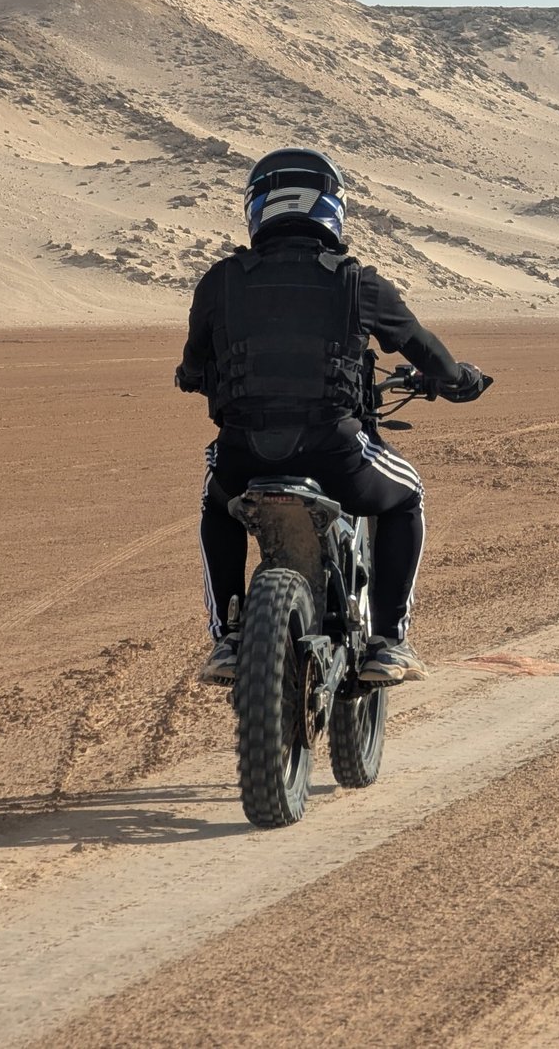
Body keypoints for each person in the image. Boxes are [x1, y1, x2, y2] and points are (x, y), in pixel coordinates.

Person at [175, 148, 488, 687]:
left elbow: (192, 365)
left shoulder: (220, 281)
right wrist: (458, 379)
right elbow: (426, 352)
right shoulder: (355, 281)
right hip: (337, 453)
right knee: (407, 494)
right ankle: (389, 640)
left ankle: (228, 638)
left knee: (216, 501)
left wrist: (196, 377)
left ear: (258, 209)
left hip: (244, 455)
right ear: (331, 209)